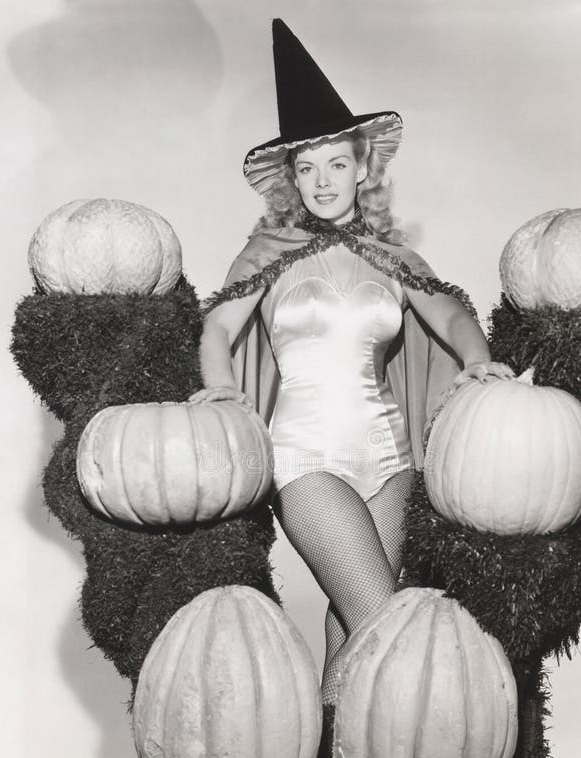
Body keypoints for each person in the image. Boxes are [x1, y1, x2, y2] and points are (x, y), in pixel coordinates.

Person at [192, 19, 511, 703]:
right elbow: (217, 329)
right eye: (306, 168)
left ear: (364, 166)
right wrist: (221, 391)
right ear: (290, 180)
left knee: (355, 617)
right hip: (303, 458)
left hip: (389, 459)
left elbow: (450, 313)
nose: (322, 180)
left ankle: (339, 750)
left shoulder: (390, 256)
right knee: (383, 619)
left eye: (336, 163)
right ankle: (425, 727)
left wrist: (479, 361)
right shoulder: (269, 253)